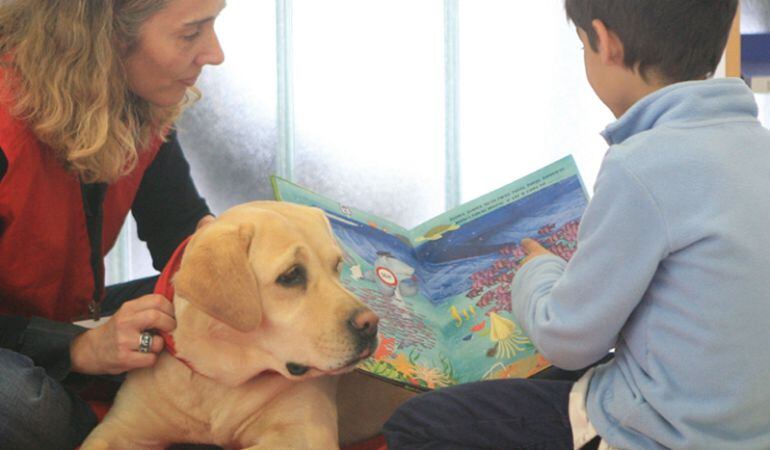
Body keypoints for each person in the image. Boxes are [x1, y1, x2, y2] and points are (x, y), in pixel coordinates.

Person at [384, 0, 770, 448]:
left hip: (662, 434)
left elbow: (567, 338)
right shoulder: (757, 146)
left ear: (604, 42)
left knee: (418, 425)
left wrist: (536, 270)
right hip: (745, 426)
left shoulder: (642, 164)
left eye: (581, 45)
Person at [0, 0, 225, 448]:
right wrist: (76, 349)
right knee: (25, 404)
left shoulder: (138, 98)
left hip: (67, 318)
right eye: (190, 33)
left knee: (242, 305)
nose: (215, 53)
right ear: (105, 37)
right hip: (24, 347)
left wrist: (240, 256)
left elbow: (179, 231)